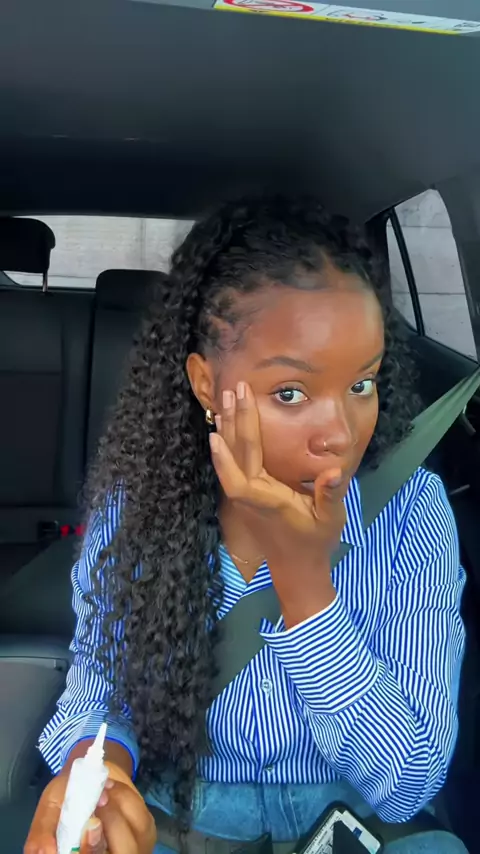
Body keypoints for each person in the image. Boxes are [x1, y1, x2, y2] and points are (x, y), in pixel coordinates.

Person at [25, 197, 467, 854]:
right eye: (290, 393)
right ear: (207, 385)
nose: (339, 434)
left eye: (362, 385)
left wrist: (305, 589)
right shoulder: (139, 509)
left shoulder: (410, 512)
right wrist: (102, 774)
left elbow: (408, 785)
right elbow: (102, 687)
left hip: (352, 821)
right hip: (181, 813)